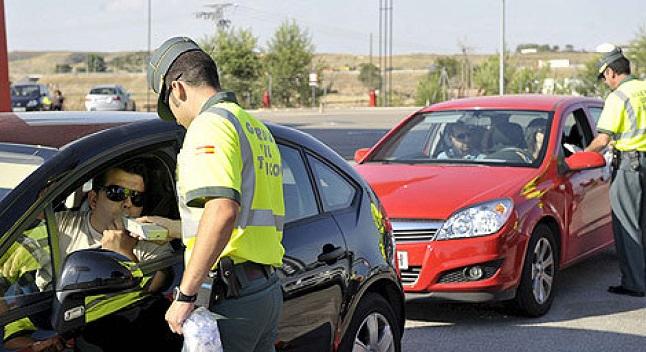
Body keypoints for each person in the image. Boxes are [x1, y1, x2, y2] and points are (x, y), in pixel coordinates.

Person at [146, 37, 285, 352]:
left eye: (169, 106)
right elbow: (243, 217)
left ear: (177, 89)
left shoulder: (208, 126)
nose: (177, 119)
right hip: (265, 290)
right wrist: (173, 228)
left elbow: (222, 210)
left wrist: (185, 294)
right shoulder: (253, 126)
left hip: (229, 298)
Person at [3, 163, 182, 351]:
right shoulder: (58, 227)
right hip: (48, 328)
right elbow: (4, 270)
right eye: (117, 193)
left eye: (137, 198)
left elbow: (153, 291)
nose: (128, 204)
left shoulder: (152, 241)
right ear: (94, 199)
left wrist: (123, 254)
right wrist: (37, 346)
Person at [584, 46, 646, 298]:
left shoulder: (618, 97)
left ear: (610, 72)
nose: (606, 82)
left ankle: (634, 283)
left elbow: (603, 139)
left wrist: (581, 157)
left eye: (605, 77)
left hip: (630, 165)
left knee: (626, 224)